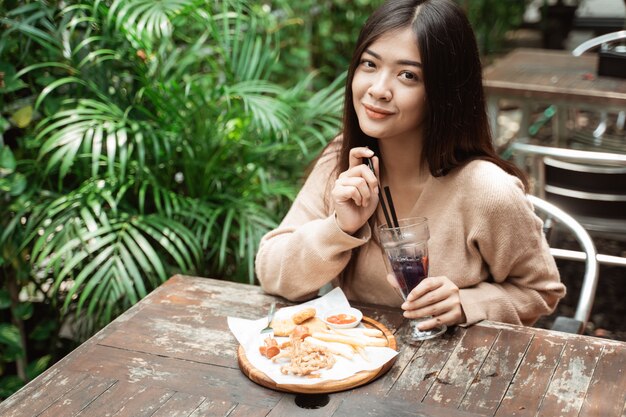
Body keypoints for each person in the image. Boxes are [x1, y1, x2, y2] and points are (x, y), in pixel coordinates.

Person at [255, 0, 566, 330]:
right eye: (369, 65)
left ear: (444, 91)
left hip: (453, 374)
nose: (378, 90)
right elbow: (272, 273)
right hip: (355, 363)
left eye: (408, 75)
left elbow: (540, 292)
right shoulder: (343, 160)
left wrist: (468, 303)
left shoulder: (487, 190)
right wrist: (340, 228)